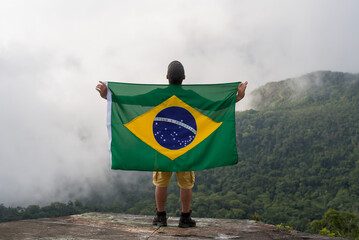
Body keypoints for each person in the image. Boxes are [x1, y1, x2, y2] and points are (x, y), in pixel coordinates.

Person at [96, 60, 248, 228]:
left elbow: (132, 100)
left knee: (161, 183)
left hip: (161, 147)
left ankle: (161, 217)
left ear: (167, 77)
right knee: (186, 184)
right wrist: (238, 97)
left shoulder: (157, 94)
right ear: (184, 77)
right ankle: (185, 217)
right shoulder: (191, 96)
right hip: (185, 147)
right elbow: (216, 105)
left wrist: (108, 96)